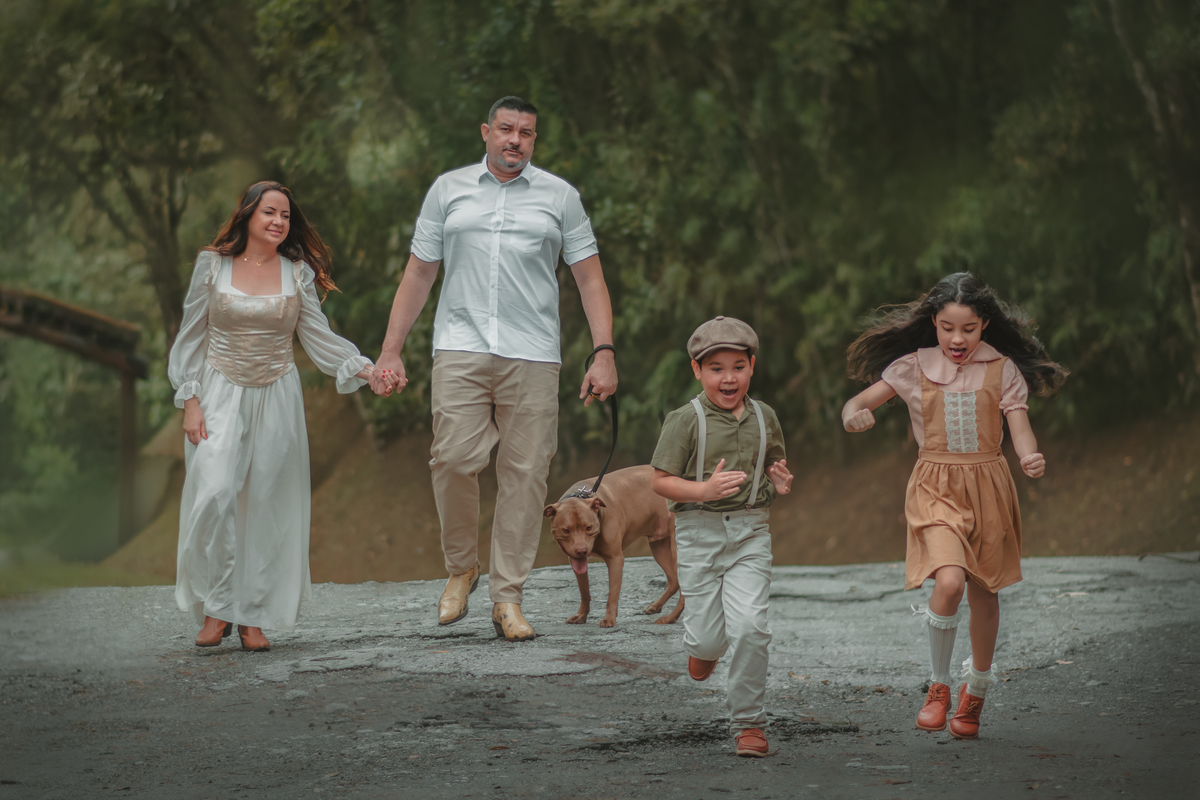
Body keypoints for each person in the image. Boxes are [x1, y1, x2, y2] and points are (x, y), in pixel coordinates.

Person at [370, 96, 617, 641]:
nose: (515, 140)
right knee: (454, 458)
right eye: (506, 129)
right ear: (486, 132)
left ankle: (508, 597)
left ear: (534, 140)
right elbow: (418, 274)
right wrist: (391, 349)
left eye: (526, 133)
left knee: (526, 475)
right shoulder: (448, 190)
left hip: (533, 353)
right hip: (459, 346)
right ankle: (463, 567)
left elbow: (590, 279)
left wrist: (603, 351)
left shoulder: (561, 197)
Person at [840, 272, 1067, 738]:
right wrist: (854, 415)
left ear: (983, 324)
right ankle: (938, 686)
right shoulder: (913, 366)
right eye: (946, 327)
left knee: (986, 594)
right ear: (935, 323)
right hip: (934, 485)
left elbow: (1018, 424)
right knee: (949, 581)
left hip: (989, 484)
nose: (956, 338)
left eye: (966, 328)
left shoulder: (1002, 369)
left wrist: (1028, 455)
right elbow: (858, 401)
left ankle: (975, 694)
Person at [168, 181, 379, 651]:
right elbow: (190, 337)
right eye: (269, 212)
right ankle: (216, 607)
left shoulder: (296, 273)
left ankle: (251, 617)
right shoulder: (213, 265)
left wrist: (366, 370)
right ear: (246, 214)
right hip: (219, 392)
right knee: (216, 491)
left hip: (277, 395)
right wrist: (191, 400)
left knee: (264, 502)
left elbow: (319, 339)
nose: (278, 222)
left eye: (285, 215)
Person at [649, 316, 793, 758]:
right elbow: (659, 481)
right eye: (716, 368)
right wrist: (704, 491)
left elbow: (774, 464)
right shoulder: (685, 420)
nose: (728, 377)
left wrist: (780, 482)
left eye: (737, 366)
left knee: (751, 628)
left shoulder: (764, 415)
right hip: (698, 533)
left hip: (751, 532)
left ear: (752, 366)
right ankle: (704, 646)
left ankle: (748, 723)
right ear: (697, 371)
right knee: (709, 639)